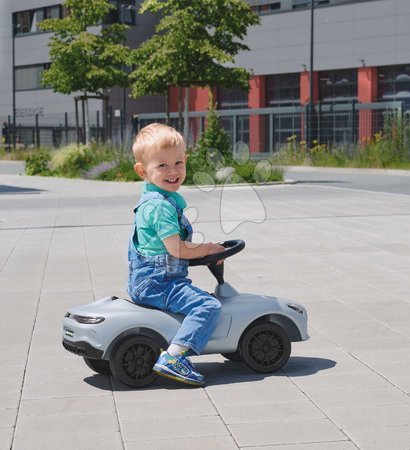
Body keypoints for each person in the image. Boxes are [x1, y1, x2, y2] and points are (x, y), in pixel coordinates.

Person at [128, 123, 224, 387]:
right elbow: (177, 250)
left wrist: (208, 252)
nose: (173, 171)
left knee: (199, 296)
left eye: (178, 162)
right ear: (143, 171)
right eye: (162, 166)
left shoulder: (160, 201)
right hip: (159, 283)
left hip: (155, 279)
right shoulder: (160, 208)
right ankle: (175, 356)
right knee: (208, 305)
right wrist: (208, 249)